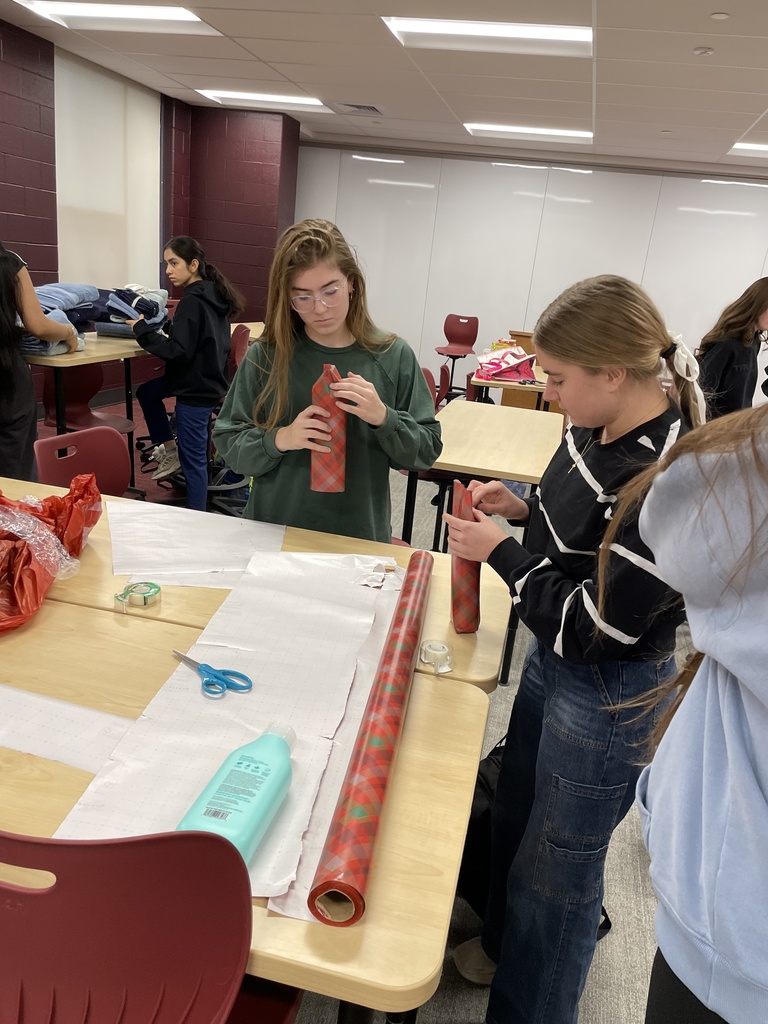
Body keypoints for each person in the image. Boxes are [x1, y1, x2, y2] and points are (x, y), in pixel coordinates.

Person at [442, 275, 706, 1024]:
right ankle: (500, 944)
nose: (549, 392)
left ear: (614, 374)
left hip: (605, 690)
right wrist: (521, 510)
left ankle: (532, 1001)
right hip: (551, 663)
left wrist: (503, 554)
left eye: (557, 379)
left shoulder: (666, 481)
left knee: (558, 877)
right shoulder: (597, 422)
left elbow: (598, 629)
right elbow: (581, 540)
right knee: (519, 814)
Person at [596, 403, 768, 1024]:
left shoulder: (721, 488)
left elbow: (675, 513)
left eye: (559, 380)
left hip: (734, 946)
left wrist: (513, 565)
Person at [212, 218, 441, 543]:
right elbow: (228, 443)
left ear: (351, 282)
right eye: (302, 297)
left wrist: (384, 418)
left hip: (358, 537)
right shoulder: (266, 356)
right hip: (274, 533)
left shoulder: (392, 356)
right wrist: (280, 439)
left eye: (330, 291)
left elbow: (426, 451)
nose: (320, 308)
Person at [129, 236, 245, 511]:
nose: (168, 270)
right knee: (147, 392)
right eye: (166, 263)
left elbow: (178, 352)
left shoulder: (192, 301)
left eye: (174, 263)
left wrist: (141, 329)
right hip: (208, 378)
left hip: (195, 390)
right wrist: (169, 327)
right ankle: (169, 449)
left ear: (193, 265)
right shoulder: (212, 294)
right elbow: (194, 339)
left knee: (194, 465)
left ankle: (196, 521)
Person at [0, 241, 79, 481]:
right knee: (16, 470)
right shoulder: (9, 262)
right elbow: (38, 326)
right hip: (7, 379)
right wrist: (69, 333)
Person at [696, 278, 768, 418]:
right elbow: (700, 394)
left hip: (736, 427)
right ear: (757, 304)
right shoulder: (728, 343)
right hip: (716, 430)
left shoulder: (754, 341)